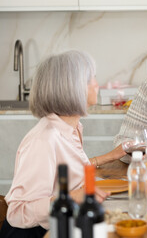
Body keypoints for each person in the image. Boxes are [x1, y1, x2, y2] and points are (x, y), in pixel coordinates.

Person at [0, 50, 125, 238]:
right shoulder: (44, 139)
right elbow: (17, 211)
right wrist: (71, 198)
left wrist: (110, 157)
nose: (97, 85)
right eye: (91, 78)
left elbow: (67, 173)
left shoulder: (71, 128)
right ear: (72, 87)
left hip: (63, 223)